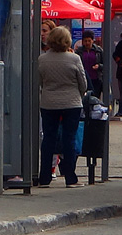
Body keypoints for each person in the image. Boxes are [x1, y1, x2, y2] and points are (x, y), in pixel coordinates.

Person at [37, 26, 87, 187]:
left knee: (48, 139)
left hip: (49, 103)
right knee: (69, 139)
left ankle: (44, 177)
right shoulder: (74, 59)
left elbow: (39, 82)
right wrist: (78, 95)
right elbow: (83, 84)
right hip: (71, 103)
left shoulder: (42, 59)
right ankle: (70, 178)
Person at [76, 29, 103, 96]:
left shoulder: (99, 51)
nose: (87, 43)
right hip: (83, 79)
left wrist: (99, 66)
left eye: (89, 41)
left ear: (92, 41)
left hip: (96, 79)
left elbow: (105, 64)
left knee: (96, 97)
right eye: (85, 41)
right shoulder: (79, 51)